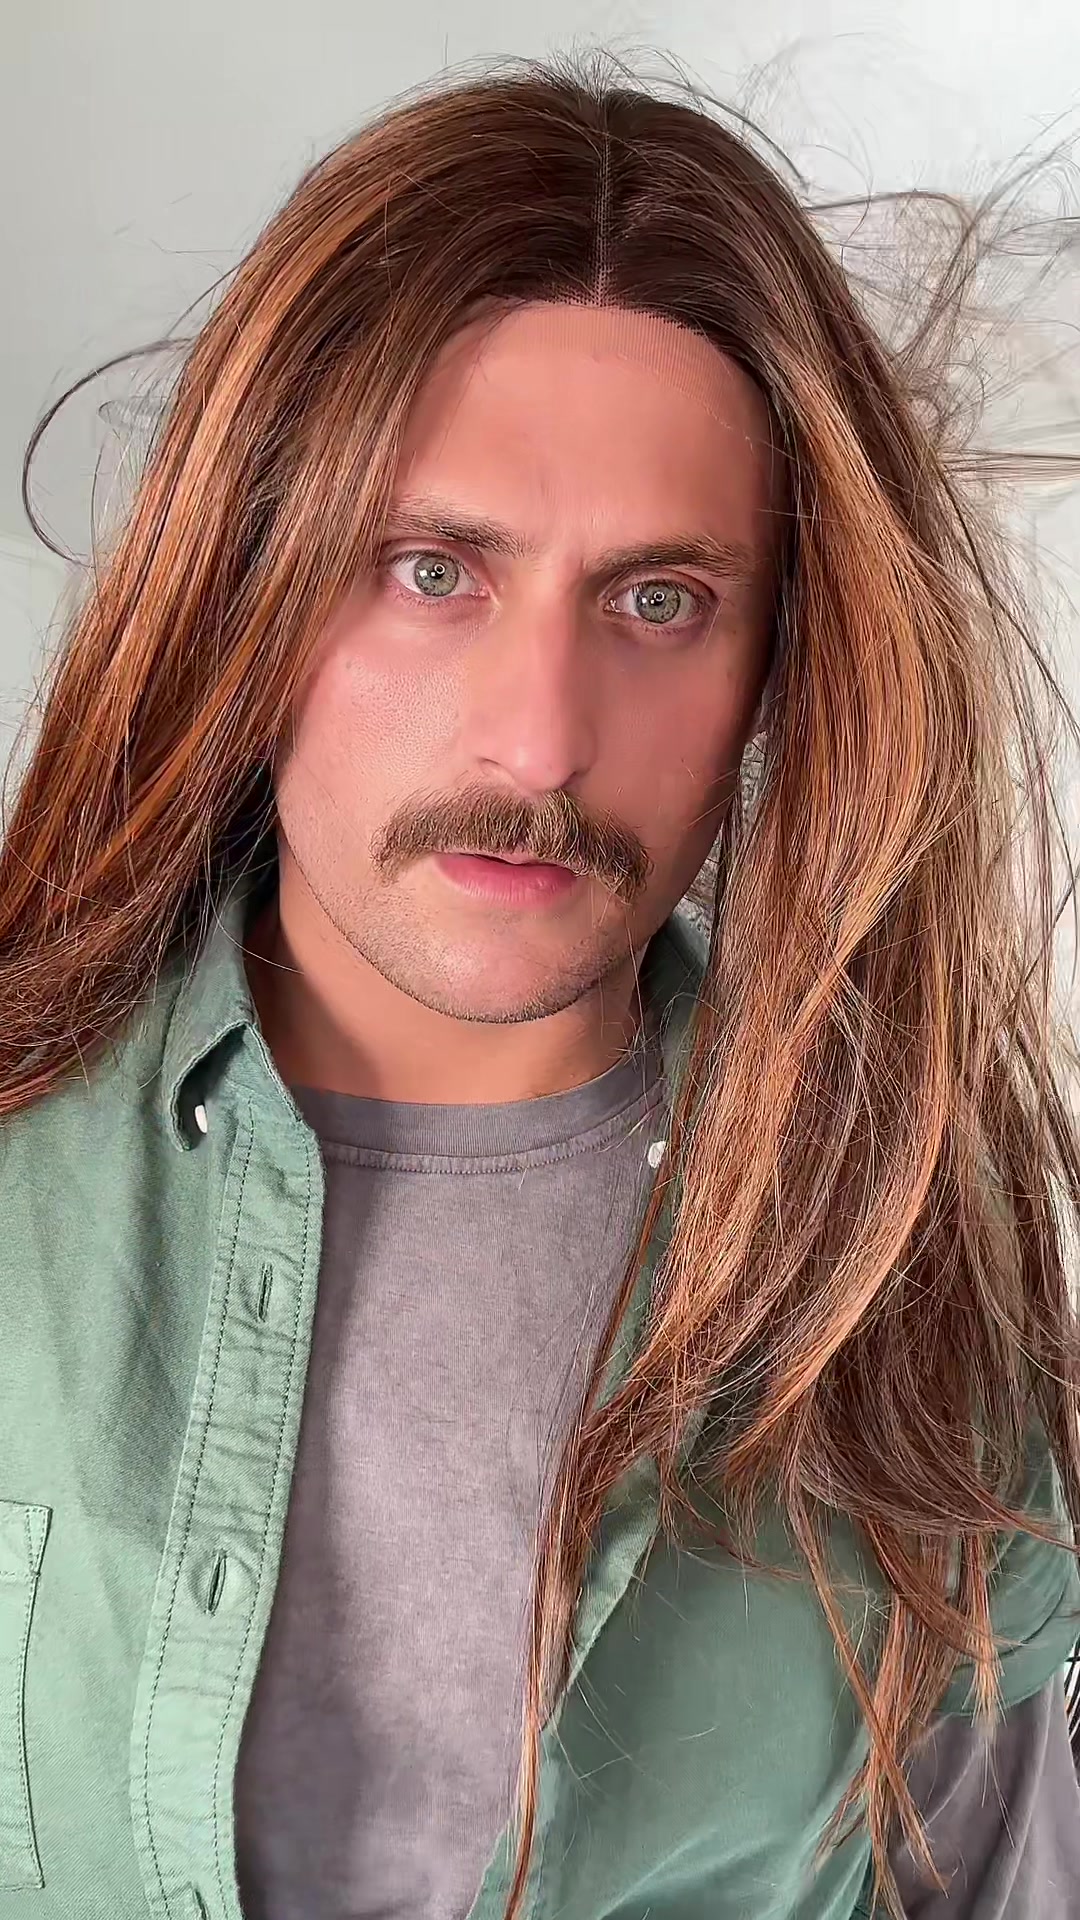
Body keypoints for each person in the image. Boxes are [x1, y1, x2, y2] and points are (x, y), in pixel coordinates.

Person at [2, 55, 1079, 1920]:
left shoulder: (902, 1254)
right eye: (432, 571)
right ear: (245, 584)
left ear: (779, 667)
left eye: (660, 602)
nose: (541, 739)